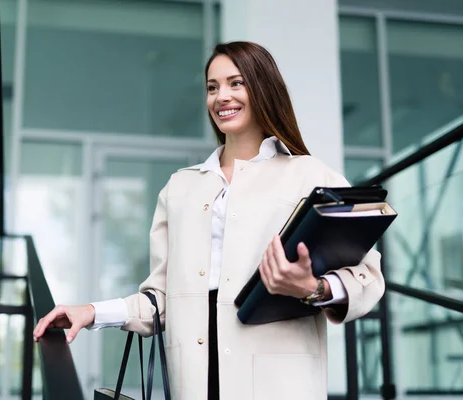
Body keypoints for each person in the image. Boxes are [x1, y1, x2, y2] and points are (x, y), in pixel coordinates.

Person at [33, 41, 384, 400]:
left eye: (236, 83)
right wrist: (91, 312)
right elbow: (161, 299)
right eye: (212, 87)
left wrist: (313, 288)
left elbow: (368, 277)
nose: (221, 97)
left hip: (280, 382)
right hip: (197, 382)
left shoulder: (309, 175)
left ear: (264, 88)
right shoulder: (181, 187)